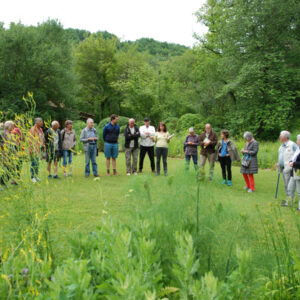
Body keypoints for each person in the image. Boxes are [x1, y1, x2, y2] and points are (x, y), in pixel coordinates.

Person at [277, 131, 298, 205]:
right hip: (282, 168)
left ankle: (290, 200)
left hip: (289, 168)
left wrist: (293, 164)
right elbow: (281, 156)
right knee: (286, 185)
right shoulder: (282, 145)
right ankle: (289, 199)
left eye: (280, 135)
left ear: (284, 137)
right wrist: (278, 163)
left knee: (289, 185)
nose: (279, 137)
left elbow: (298, 154)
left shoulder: (292, 145)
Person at [28, 118, 45, 183]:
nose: (42, 123)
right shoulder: (32, 130)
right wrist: (31, 149)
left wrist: (43, 145)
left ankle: (36, 175)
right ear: (36, 122)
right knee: (33, 163)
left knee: (37, 163)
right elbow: (30, 140)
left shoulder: (40, 129)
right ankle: (32, 177)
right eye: (41, 121)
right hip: (34, 149)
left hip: (39, 148)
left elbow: (42, 138)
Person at [288, 134, 300, 211]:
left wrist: (294, 163)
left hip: (299, 172)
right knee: (290, 187)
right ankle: (289, 202)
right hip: (294, 171)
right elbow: (294, 158)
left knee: (299, 191)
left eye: (297, 140)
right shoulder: (298, 149)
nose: (296, 141)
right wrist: (291, 162)